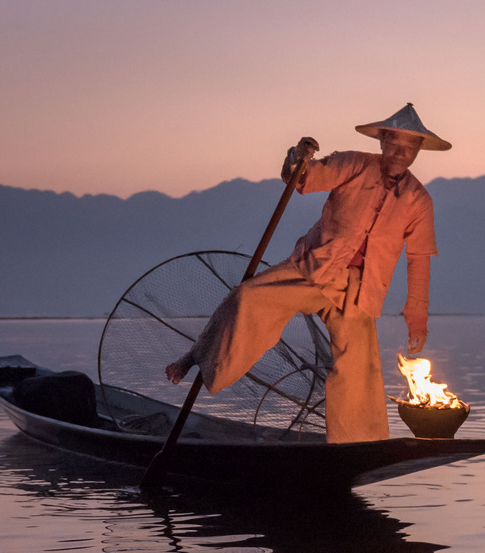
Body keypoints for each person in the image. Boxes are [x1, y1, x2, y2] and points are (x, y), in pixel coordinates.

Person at [166, 103, 450, 443]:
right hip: (314, 267)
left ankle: (357, 443)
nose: (401, 153)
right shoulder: (354, 163)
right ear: (383, 141)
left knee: (359, 368)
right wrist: (297, 157)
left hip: (361, 288)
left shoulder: (419, 200)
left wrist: (416, 312)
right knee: (246, 298)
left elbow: (419, 258)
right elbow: (304, 179)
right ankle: (197, 355)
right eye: (395, 143)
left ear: (418, 151)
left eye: (411, 147)